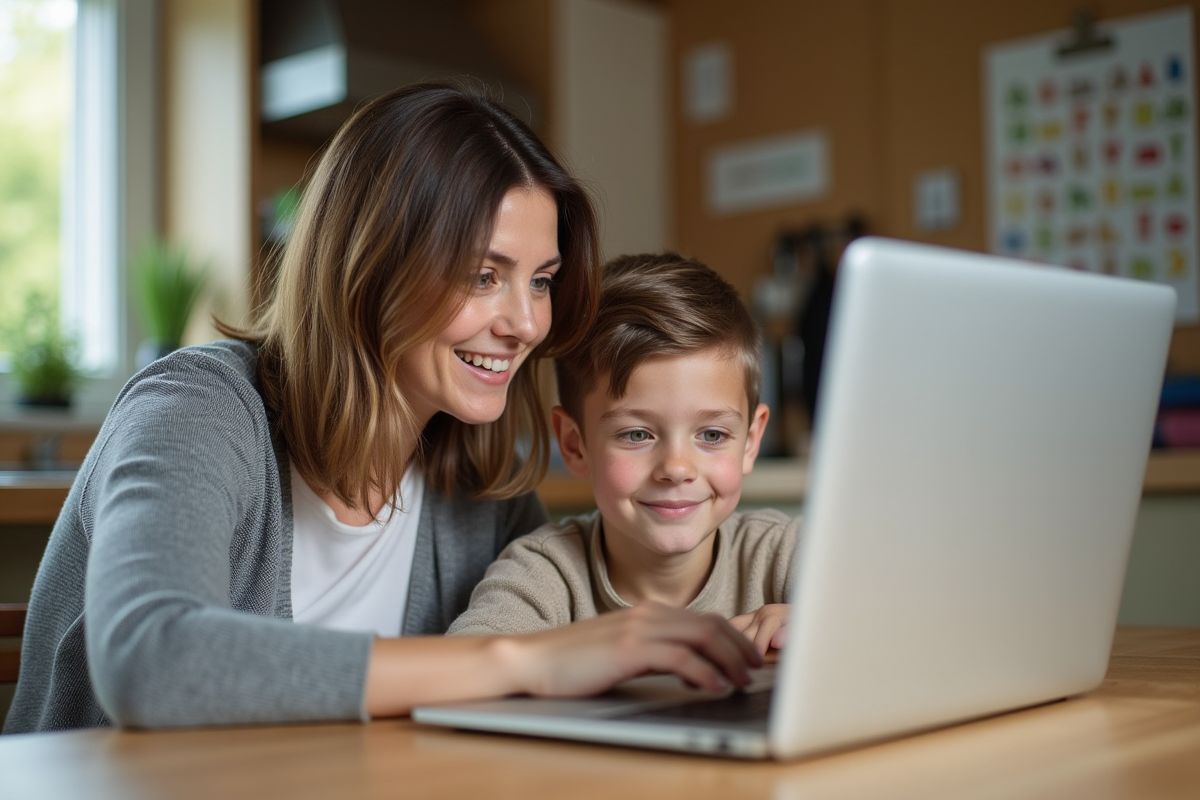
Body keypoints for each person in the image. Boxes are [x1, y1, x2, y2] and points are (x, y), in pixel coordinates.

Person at [3, 85, 761, 735]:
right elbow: (151, 662)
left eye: (540, 281)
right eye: (484, 275)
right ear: (374, 265)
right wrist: (515, 660)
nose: (528, 324)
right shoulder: (198, 409)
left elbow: (566, 673)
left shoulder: (478, 487)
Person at [449, 253, 800, 657]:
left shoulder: (784, 552)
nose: (676, 468)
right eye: (636, 434)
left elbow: (883, 612)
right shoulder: (544, 571)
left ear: (750, 441)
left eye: (712, 434)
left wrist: (831, 623)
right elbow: (466, 661)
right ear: (574, 445)